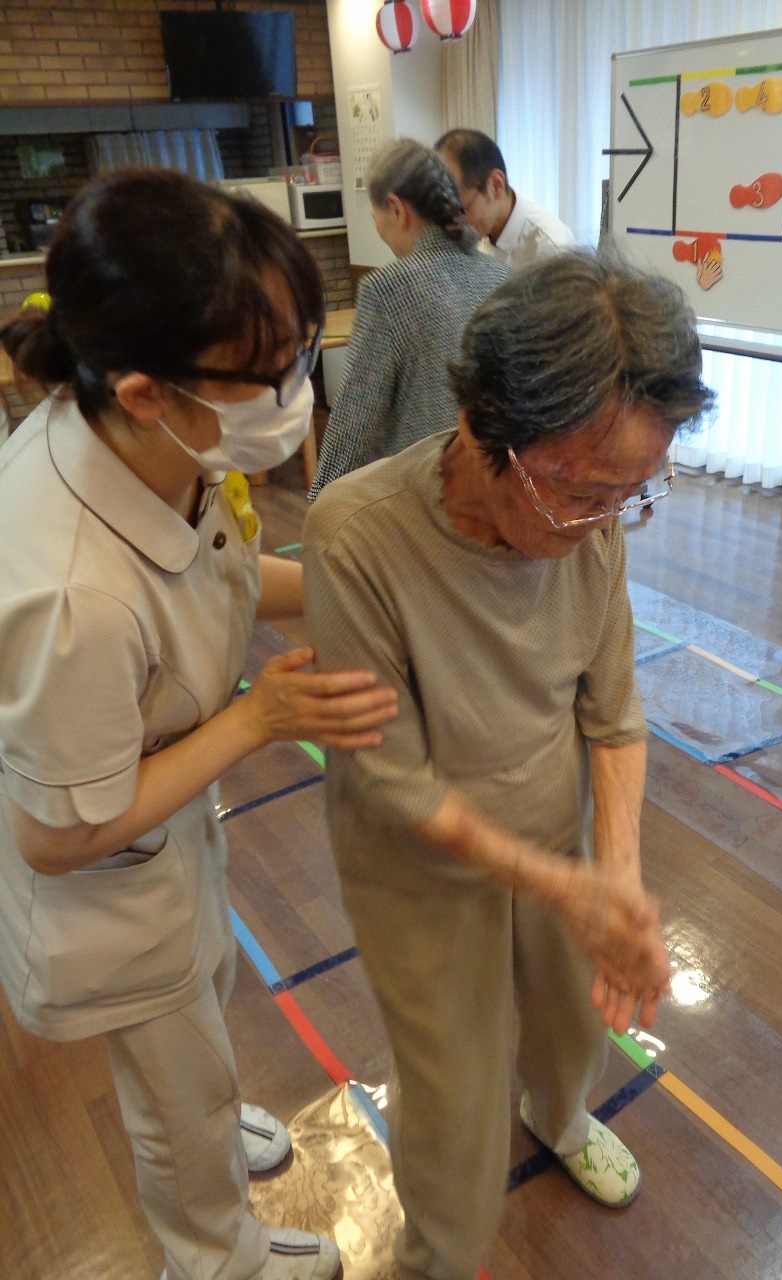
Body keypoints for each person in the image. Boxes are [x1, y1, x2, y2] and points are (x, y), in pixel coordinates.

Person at [0, 168, 400, 1280]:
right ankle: (216, 1256)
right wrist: (259, 717)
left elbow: (221, 573)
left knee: (207, 999)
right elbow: (58, 835)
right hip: (106, 871)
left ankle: (214, 1124)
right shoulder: (71, 591)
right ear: (145, 391)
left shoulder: (163, 448)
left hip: (163, 828)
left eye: (301, 354)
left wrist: (357, 586)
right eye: (270, 376)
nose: (295, 391)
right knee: (175, 1091)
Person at [302, 249, 716, 1280]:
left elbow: (612, 715)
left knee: (577, 1026)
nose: (603, 521)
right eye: (580, 487)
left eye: (632, 492)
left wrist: (613, 878)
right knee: (456, 1113)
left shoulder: (592, 525)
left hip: (551, 840)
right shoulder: (356, 535)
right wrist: (572, 888)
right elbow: (396, 784)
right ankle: (434, 1258)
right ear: (485, 427)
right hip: (419, 875)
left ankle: (561, 1115)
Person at [307, 138, 510, 499]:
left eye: (375, 217)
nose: (378, 228)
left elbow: (355, 417)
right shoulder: (503, 277)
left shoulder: (388, 289)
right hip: (502, 487)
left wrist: (321, 501)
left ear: (396, 209)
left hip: (427, 495)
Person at [436, 127, 576, 269]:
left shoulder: (552, 248)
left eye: (461, 209)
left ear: (496, 185)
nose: (452, 224)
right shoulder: (473, 233)